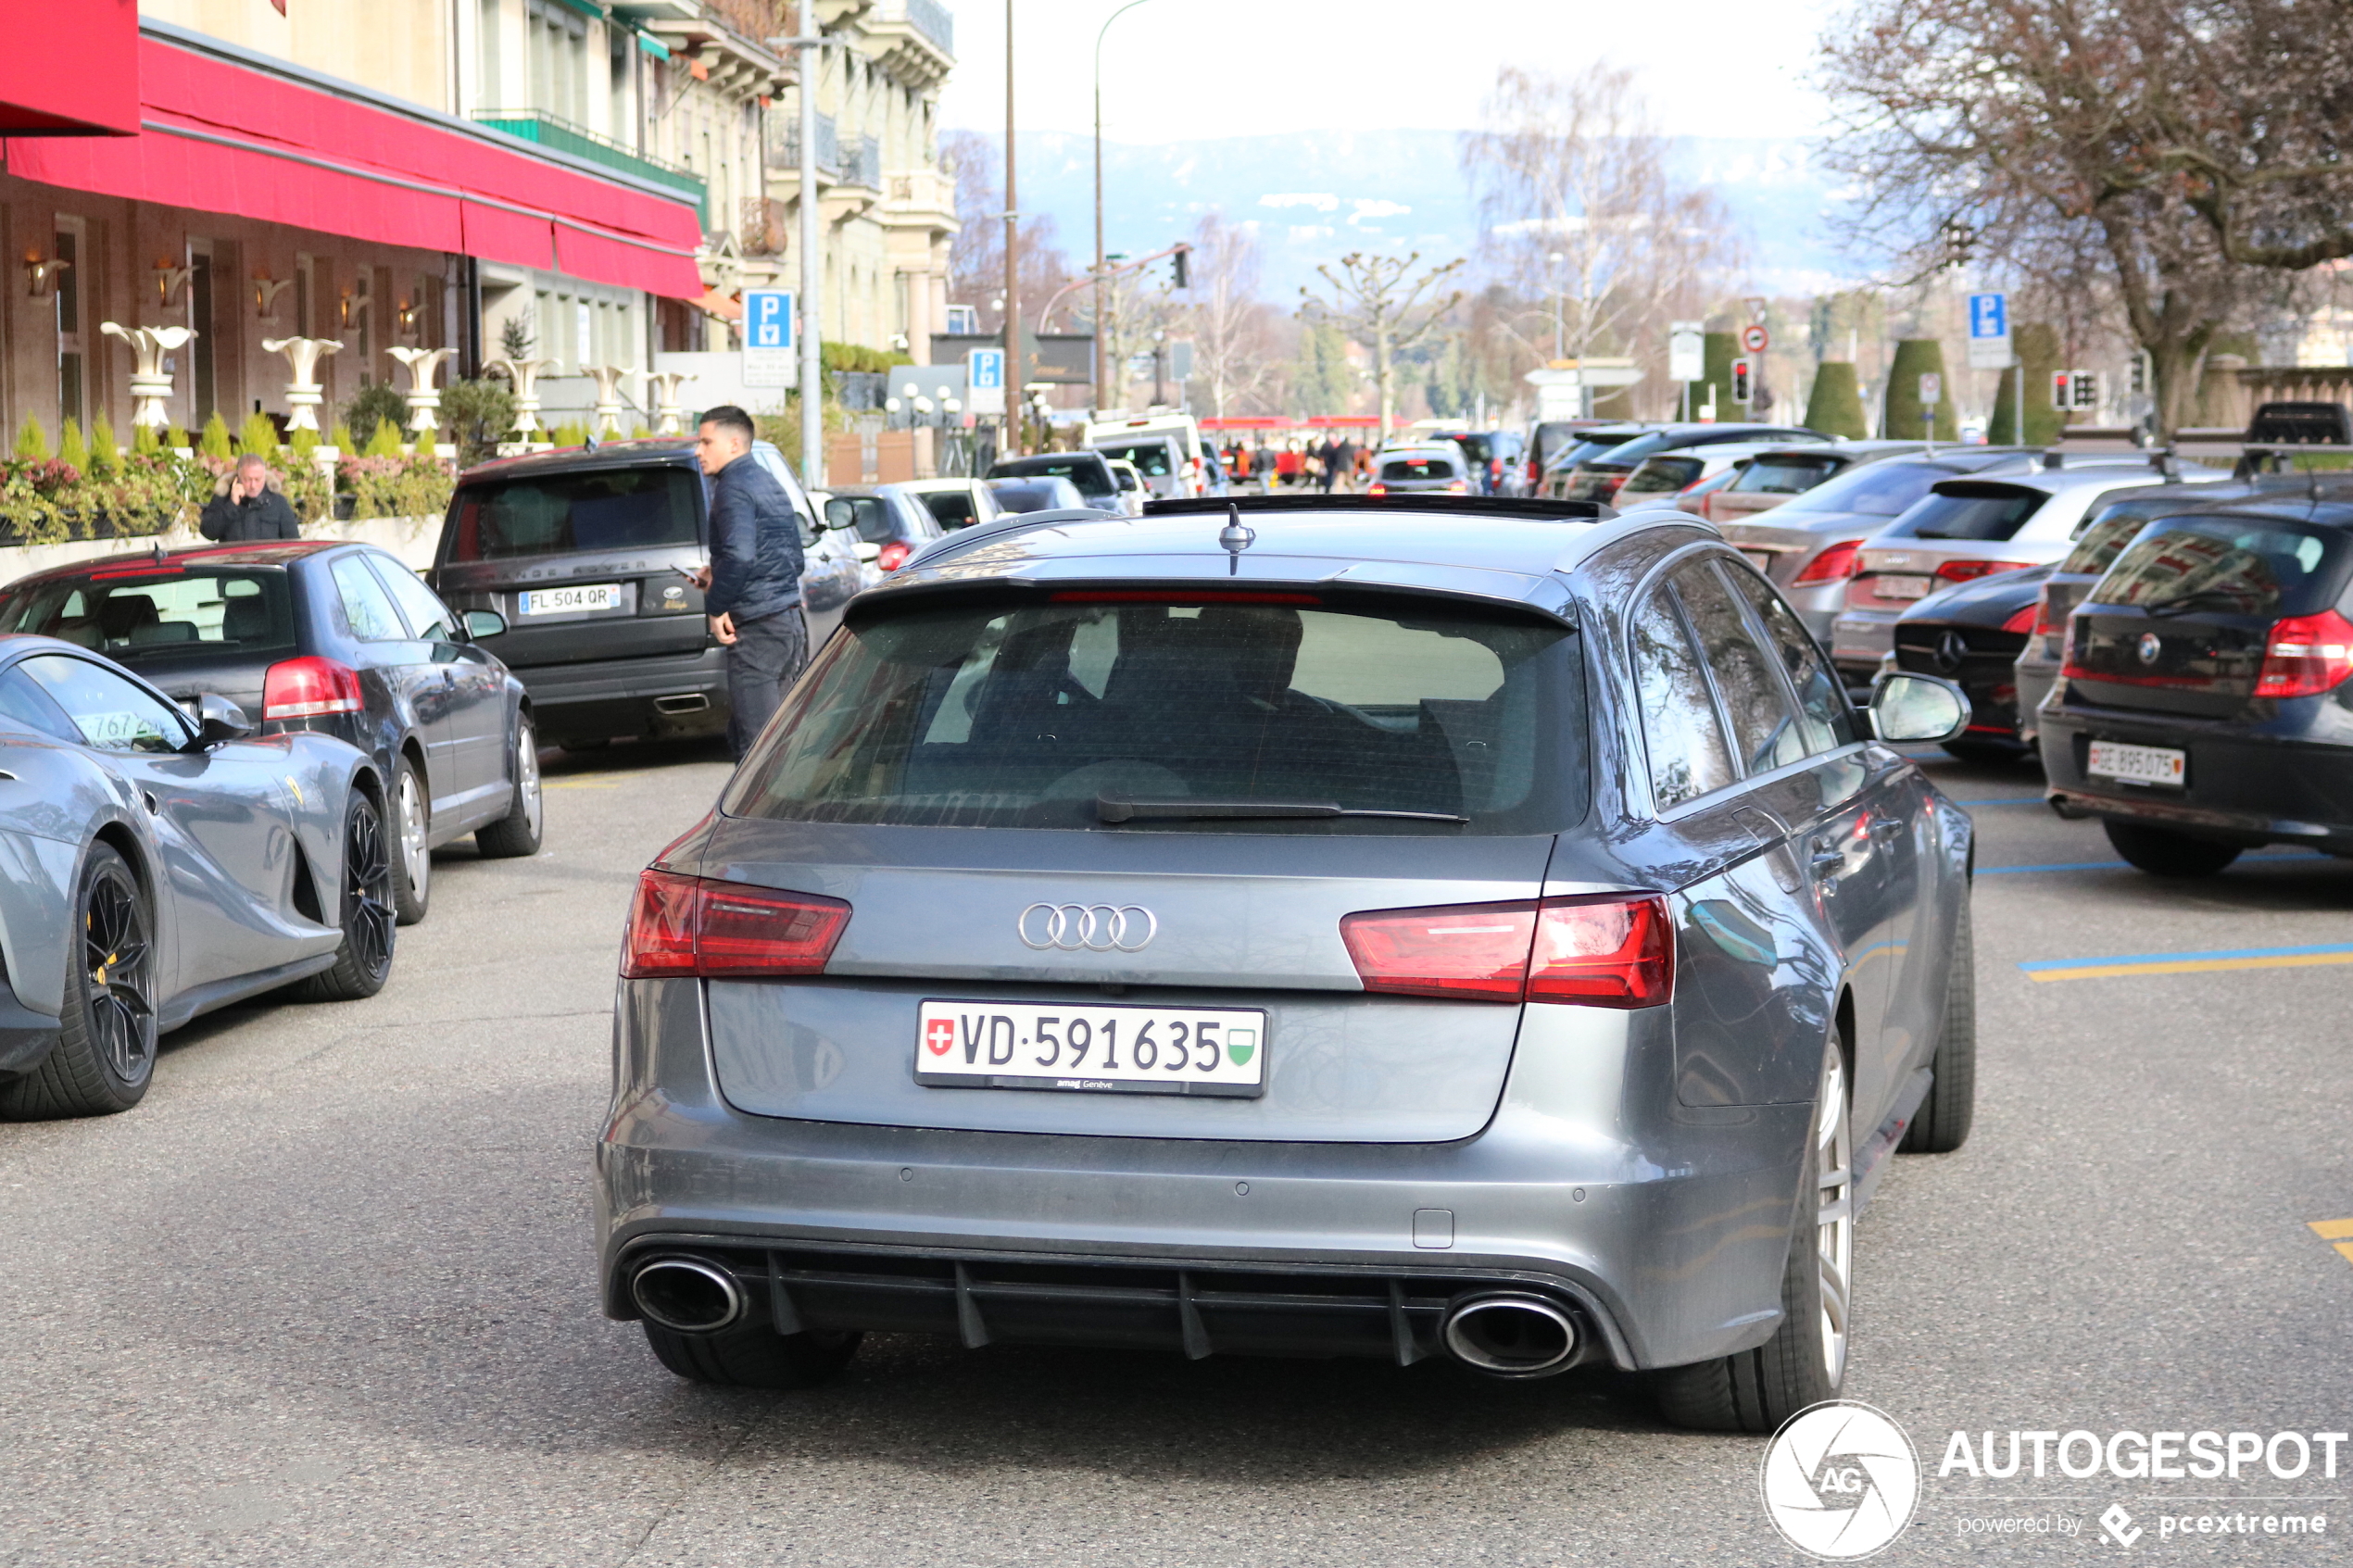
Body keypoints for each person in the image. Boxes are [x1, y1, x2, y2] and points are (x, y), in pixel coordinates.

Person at [686, 405, 807, 760]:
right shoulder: (769, 482)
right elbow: (793, 559)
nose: (698, 451)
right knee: (776, 741)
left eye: (707, 442)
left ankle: (769, 816)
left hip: (757, 630)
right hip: (788, 625)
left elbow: (741, 555)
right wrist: (717, 572)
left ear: (734, 443)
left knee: (758, 754)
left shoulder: (732, 488)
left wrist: (717, 605)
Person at [198, 454, 301, 542]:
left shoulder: (277, 501)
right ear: (238, 477)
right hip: (233, 563)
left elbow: (293, 542)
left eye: (258, 479)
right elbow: (208, 533)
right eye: (247, 479)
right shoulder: (223, 497)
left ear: (264, 477)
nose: (253, 485)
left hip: (268, 564)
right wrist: (232, 505)